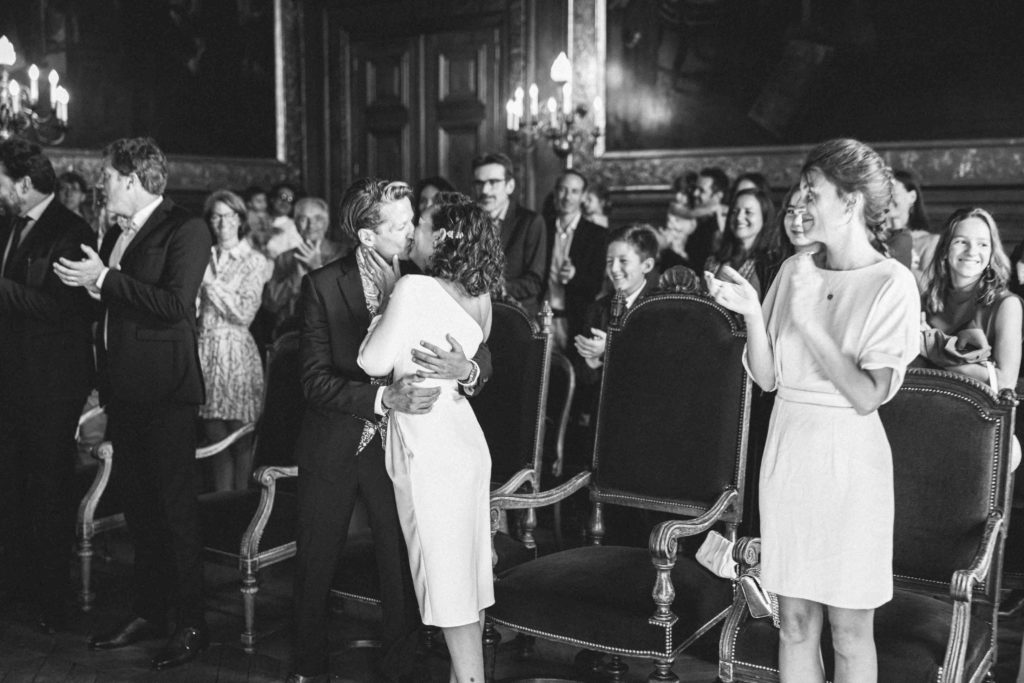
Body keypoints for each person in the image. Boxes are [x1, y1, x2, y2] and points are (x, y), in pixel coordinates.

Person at [707, 138, 920, 682]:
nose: (799, 202)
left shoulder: (891, 283)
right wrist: (753, 313)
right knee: (795, 624)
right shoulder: (795, 269)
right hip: (789, 458)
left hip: (849, 467)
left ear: (850, 202)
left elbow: (867, 394)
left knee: (849, 632)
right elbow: (769, 377)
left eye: (812, 191)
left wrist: (809, 322)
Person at [288, 178, 492, 683]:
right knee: (316, 561)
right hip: (339, 439)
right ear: (367, 236)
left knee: (401, 565)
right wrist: (383, 398)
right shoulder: (322, 285)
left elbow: (482, 349)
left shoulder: (428, 275)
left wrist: (465, 369)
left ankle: (400, 668)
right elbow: (313, 381)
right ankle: (307, 669)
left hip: (406, 447)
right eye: (400, 224)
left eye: (412, 221)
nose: (411, 230)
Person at [54, 137, 213, 669]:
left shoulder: (186, 227)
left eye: (106, 177)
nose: (101, 185)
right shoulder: (113, 231)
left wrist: (104, 278)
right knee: (140, 510)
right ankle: (150, 612)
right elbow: (121, 302)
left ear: (130, 178)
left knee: (174, 513)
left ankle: (193, 624)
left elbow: (173, 305)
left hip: (166, 393)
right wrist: (95, 287)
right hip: (123, 390)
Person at [358, 194, 504, 683]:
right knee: (468, 577)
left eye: (418, 224)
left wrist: (383, 312)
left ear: (439, 236)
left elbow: (372, 362)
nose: (411, 232)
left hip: (428, 446)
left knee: (445, 583)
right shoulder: (480, 295)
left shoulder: (412, 287)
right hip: (465, 440)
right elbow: (478, 350)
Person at [0, 137, 96, 633]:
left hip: (52, 385)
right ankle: (16, 583)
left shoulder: (71, 230)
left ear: (22, 183)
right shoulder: (6, 224)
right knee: (9, 485)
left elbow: (66, 309)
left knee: (49, 487)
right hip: (8, 381)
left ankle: (54, 597)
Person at [197, 189, 271, 491]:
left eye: (229, 216)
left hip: (236, 354)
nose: (222, 222)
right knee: (214, 440)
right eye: (215, 216)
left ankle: (241, 506)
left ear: (240, 219)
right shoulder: (202, 255)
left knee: (240, 439)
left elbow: (243, 312)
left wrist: (209, 284)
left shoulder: (254, 260)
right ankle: (221, 506)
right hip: (205, 351)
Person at [921, 207, 1022, 392]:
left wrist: (935, 352)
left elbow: (1005, 382)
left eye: (982, 244)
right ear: (944, 250)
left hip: (981, 409)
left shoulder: (1007, 305)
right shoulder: (926, 300)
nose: (971, 251)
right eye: (961, 242)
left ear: (991, 253)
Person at [573, 224, 658, 384]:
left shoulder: (660, 307)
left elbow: (655, 365)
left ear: (646, 265)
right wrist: (592, 360)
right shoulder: (598, 309)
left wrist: (609, 350)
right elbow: (584, 378)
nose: (614, 269)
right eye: (609, 261)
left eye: (623, 261)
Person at [262, 196, 347, 340]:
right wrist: (296, 278)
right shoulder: (284, 258)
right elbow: (271, 303)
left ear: (326, 224)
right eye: (303, 219)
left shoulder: (343, 254)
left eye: (318, 219)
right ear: (296, 225)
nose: (311, 225)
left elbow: (344, 301)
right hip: (291, 334)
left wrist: (317, 268)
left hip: (333, 332)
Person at [472, 152, 545, 314]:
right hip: (477, 313)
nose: (485, 190)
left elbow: (534, 281)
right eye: (479, 183)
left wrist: (490, 290)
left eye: (493, 182)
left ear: (510, 186)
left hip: (518, 314)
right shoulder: (470, 223)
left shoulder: (531, 222)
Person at [544, 169, 607, 350]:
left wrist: (574, 276)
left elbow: (595, 286)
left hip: (576, 321)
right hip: (542, 318)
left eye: (574, 191)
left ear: (583, 196)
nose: (567, 197)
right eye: (563, 190)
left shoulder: (597, 234)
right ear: (555, 192)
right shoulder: (542, 228)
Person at [704, 188, 777, 299]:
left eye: (748, 212)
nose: (739, 217)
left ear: (764, 217)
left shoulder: (770, 266)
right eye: (735, 211)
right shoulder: (714, 259)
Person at [688, 166, 730, 270]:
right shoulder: (695, 219)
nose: (695, 193)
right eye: (695, 188)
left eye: (701, 190)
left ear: (718, 196)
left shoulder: (724, 224)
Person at [265, 181, 302, 258]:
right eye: (283, 197)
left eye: (290, 200)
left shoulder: (292, 226)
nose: (285, 202)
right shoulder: (260, 220)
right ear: (272, 199)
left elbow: (297, 253)